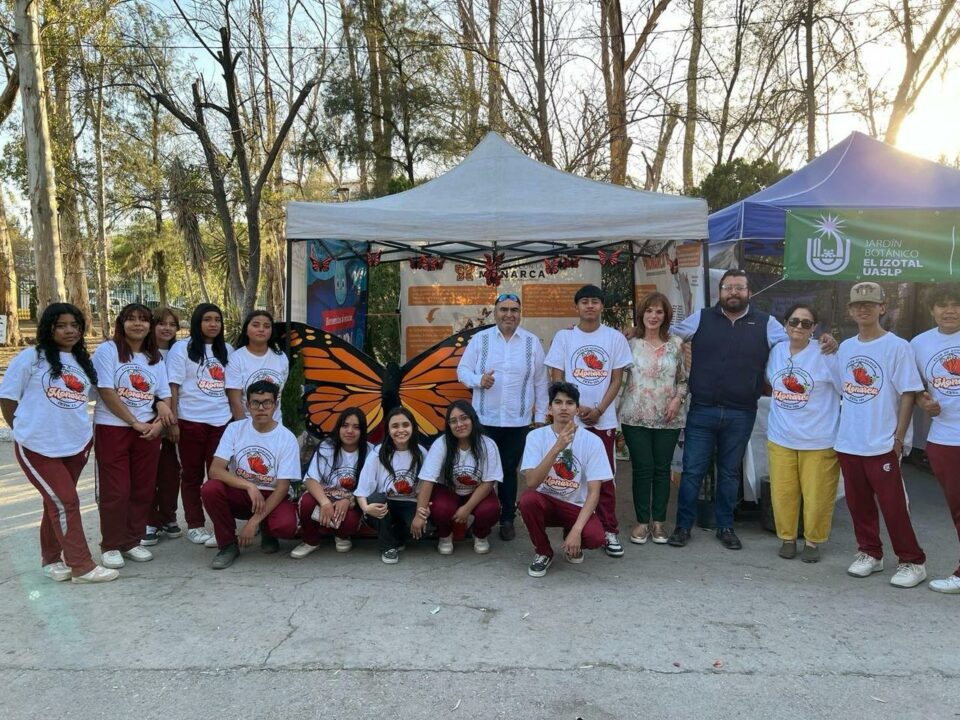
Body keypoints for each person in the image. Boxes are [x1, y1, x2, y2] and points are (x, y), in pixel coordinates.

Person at [665, 269, 836, 550]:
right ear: (720, 291)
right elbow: (669, 336)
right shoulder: (701, 318)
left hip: (741, 412)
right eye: (728, 287)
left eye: (739, 288)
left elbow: (797, 341)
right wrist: (637, 333)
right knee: (693, 470)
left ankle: (725, 527)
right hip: (703, 409)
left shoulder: (767, 323)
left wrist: (825, 340)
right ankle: (683, 527)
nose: (733, 292)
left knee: (730, 473)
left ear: (749, 292)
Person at [0, 303, 118, 583]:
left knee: (55, 502)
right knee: (66, 500)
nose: (69, 331)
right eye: (61, 325)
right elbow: (7, 398)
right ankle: (81, 566)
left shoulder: (82, 362)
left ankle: (51, 560)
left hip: (76, 445)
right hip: (38, 447)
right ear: (48, 328)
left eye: (75, 325)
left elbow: (94, 397)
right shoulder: (31, 358)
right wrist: (25, 429)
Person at [835, 282, 926, 588]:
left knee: (893, 506)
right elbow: (843, 389)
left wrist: (899, 438)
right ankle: (870, 553)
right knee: (858, 504)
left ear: (882, 308)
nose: (864, 309)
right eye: (858, 305)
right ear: (850, 310)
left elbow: (908, 393)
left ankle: (912, 561)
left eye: (870, 304)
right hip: (850, 440)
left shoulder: (897, 346)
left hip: (882, 442)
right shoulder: (846, 347)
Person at [545, 284, 632, 558]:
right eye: (585, 302)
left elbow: (616, 379)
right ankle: (570, 527)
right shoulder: (564, 337)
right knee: (568, 474)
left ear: (602, 306)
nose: (590, 306)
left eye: (595, 301)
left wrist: (599, 409)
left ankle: (609, 530)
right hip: (570, 421)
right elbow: (557, 378)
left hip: (602, 421)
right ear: (577, 307)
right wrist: (574, 408)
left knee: (603, 477)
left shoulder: (614, 338)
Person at [457, 292, 548, 542]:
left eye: (514, 310)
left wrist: (540, 417)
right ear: (495, 312)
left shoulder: (531, 343)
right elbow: (462, 370)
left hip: (518, 422)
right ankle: (477, 519)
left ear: (520, 314)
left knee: (508, 471)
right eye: (504, 309)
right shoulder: (481, 339)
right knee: (479, 470)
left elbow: (541, 383)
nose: (509, 314)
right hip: (484, 420)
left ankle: (507, 518)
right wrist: (478, 380)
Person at [93, 303, 174, 569]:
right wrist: (133, 422)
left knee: (143, 488)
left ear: (149, 326)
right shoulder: (108, 350)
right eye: (131, 319)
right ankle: (111, 545)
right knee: (116, 490)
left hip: (148, 431)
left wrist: (159, 423)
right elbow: (106, 391)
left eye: (143, 319)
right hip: (113, 428)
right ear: (121, 323)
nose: (137, 324)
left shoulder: (154, 358)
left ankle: (131, 540)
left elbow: (164, 394)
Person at [765, 304, 841, 563]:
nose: (799, 327)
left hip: (818, 438)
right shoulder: (777, 351)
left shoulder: (826, 353)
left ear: (814, 328)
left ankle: (812, 541)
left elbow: (844, 387)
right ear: (785, 324)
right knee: (783, 492)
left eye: (806, 323)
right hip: (781, 435)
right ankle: (787, 538)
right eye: (794, 321)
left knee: (817, 495)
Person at [202, 381, 300, 569]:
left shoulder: (286, 438)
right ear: (247, 405)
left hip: (271, 495)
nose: (261, 408)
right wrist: (249, 486)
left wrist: (253, 523)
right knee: (210, 489)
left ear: (275, 405)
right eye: (255, 403)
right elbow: (215, 470)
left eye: (267, 402)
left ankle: (267, 530)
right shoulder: (235, 429)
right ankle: (228, 545)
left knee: (285, 525)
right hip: (243, 493)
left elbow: (282, 488)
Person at [518, 381, 611, 577]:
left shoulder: (593, 441)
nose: (563, 408)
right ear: (549, 408)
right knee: (527, 500)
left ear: (577, 409)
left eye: (569, 403)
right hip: (545, 503)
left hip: (575, 507)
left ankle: (570, 533)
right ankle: (543, 552)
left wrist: (577, 530)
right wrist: (557, 448)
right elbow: (532, 482)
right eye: (558, 402)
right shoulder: (535, 437)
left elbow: (594, 493)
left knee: (595, 537)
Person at [161, 303, 233, 549]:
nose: (213, 324)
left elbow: (232, 388)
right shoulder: (182, 348)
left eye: (217, 320)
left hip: (221, 422)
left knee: (218, 475)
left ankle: (220, 525)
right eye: (207, 319)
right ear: (197, 322)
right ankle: (195, 524)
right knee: (191, 475)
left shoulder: (228, 350)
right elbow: (173, 386)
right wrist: (172, 422)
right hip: (190, 421)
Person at [617, 292, 687, 545]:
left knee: (661, 469)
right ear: (641, 314)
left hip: (668, 418)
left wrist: (678, 399)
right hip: (635, 417)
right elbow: (615, 376)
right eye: (649, 311)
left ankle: (659, 522)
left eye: (659, 312)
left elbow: (683, 379)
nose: (653, 316)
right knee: (642, 468)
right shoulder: (629, 343)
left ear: (666, 316)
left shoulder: (676, 344)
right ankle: (642, 522)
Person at [911, 284, 960, 593]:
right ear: (932, 310)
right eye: (942, 305)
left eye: (956, 304)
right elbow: (913, 386)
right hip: (944, 438)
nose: (950, 310)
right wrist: (923, 401)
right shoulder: (919, 344)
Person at [414, 400, 503, 555]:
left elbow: (488, 482)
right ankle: (445, 535)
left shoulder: (487, 444)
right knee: (441, 508)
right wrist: (419, 515)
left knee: (491, 509)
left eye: (464, 418)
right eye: (453, 421)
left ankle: (480, 535)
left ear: (473, 419)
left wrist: (467, 508)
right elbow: (428, 480)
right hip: (449, 491)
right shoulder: (441, 444)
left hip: (477, 490)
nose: (459, 424)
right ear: (448, 425)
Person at [292, 408, 372, 558]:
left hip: (350, 502)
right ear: (338, 427)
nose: (350, 431)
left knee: (349, 522)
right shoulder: (326, 446)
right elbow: (310, 480)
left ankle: (341, 535)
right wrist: (325, 502)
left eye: (356, 427)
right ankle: (311, 541)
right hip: (325, 496)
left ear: (362, 431)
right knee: (307, 502)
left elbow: (371, 487)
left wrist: (349, 500)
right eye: (345, 425)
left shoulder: (369, 451)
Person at [355, 407, 428, 565]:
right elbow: (362, 489)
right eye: (395, 426)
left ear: (413, 427)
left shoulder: (421, 453)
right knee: (376, 500)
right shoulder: (377, 453)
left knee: (426, 527)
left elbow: (426, 487)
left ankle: (399, 537)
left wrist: (423, 510)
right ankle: (387, 547)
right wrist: (366, 508)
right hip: (386, 504)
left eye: (405, 425)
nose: (401, 430)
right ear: (388, 430)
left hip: (410, 504)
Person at [143, 308, 183, 547]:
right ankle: (149, 520)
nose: (167, 328)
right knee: (148, 473)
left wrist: (173, 420)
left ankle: (168, 516)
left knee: (170, 473)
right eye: (161, 323)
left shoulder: (181, 350)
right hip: (146, 420)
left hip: (173, 420)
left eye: (172, 324)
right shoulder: (141, 352)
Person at [226, 310, 288, 422]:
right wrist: (245, 428)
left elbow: (280, 393)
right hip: (247, 424)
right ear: (246, 330)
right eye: (255, 325)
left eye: (267, 326)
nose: (261, 329)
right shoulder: (236, 358)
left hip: (275, 424)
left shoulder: (281, 357)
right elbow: (235, 402)